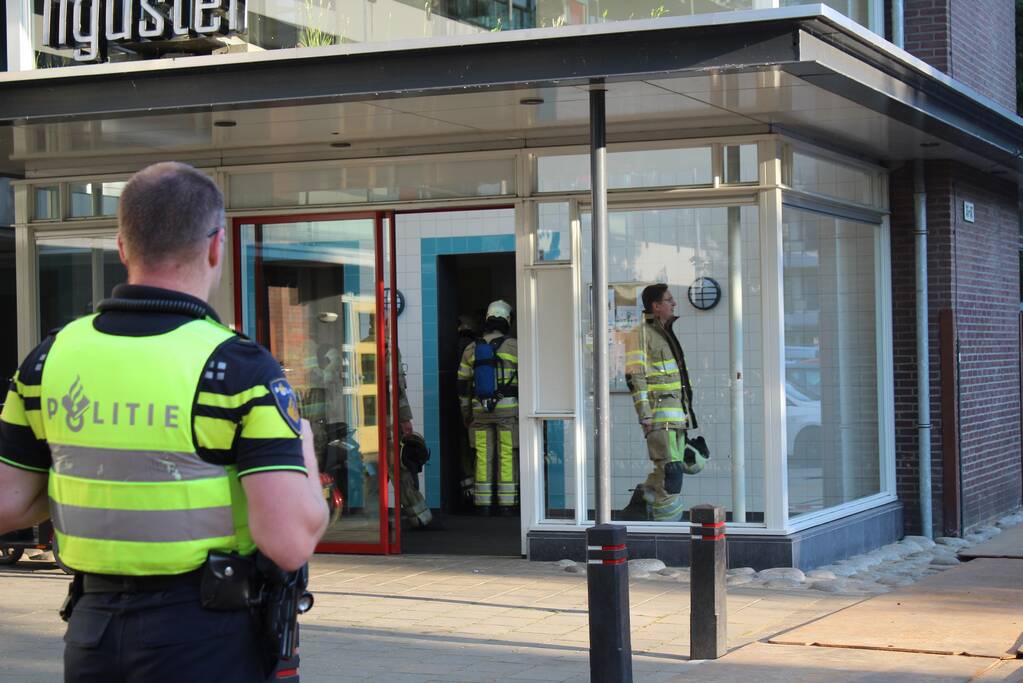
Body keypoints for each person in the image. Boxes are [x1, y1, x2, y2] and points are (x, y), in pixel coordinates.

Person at [0, 162, 329, 682]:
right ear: (216, 246)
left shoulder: (48, 359)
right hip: (205, 636)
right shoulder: (238, 370)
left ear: (123, 247)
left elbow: (8, 503)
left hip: (93, 634)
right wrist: (303, 453)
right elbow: (288, 540)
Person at [622, 284, 697, 522]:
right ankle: (666, 528)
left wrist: (686, 416)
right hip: (659, 417)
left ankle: (641, 503)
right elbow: (636, 376)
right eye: (669, 299)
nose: (674, 303)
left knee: (678, 468)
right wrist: (644, 415)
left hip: (676, 417)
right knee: (671, 474)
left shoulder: (664, 334)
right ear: (656, 306)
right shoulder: (641, 334)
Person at [457, 300, 519, 515]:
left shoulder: (471, 349)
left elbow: (463, 386)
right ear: (507, 320)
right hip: (508, 411)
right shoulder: (515, 347)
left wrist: (467, 414)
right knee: (507, 455)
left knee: (482, 454)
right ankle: (507, 505)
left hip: (480, 411)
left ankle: (482, 504)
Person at [395, 353, 438, 530]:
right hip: (389, 423)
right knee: (402, 472)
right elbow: (398, 390)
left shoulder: (365, 345)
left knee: (374, 474)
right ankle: (422, 518)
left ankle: (368, 519)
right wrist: (405, 420)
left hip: (372, 424)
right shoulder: (389, 349)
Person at [454, 313, 480, 507]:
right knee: (478, 451)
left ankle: (468, 492)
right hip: (475, 408)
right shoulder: (475, 347)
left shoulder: (457, 347)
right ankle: (475, 492)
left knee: (465, 452)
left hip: (461, 407)